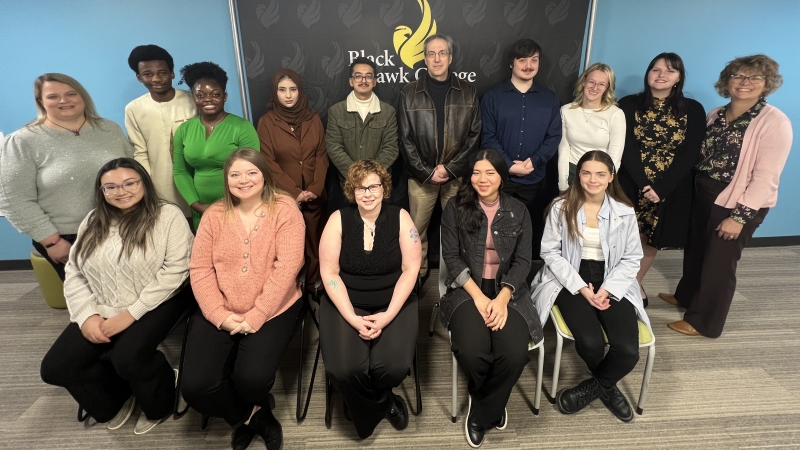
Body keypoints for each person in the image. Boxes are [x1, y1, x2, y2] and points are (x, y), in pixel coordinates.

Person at [40, 158, 194, 434]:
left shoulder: (167, 216)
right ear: (101, 191)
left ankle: (162, 395)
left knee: (128, 358)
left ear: (144, 183)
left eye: (129, 183)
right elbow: (75, 272)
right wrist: (87, 316)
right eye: (110, 187)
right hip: (103, 303)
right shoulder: (93, 219)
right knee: (57, 368)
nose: (121, 192)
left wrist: (130, 314)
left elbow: (176, 271)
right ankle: (118, 397)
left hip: (160, 300)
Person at [181, 149, 305, 450]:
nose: (243, 180)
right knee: (195, 388)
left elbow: (287, 267)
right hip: (220, 306)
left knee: (253, 379)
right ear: (226, 179)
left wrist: (256, 314)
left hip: (274, 307)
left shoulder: (285, 208)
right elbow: (199, 268)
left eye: (251, 172)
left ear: (264, 174)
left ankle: (254, 407)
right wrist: (218, 313)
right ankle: (251, 414)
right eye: (235, 174)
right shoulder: (213, 214)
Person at [661, 55, 792, 338]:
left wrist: (739, 217)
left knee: (719, 262)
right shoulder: (716, 114)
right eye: (738, 77)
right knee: (696, 250)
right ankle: (686, 296)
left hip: (738, 201)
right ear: (727, 81)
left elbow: (766, 177)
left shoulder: (774, 122)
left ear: (766, 83)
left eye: (754, 78)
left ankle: (704, 321)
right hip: (705, 191)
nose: (745, 83)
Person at [530, 150, 649, 423]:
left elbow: (632, 258)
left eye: (600, 174)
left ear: (611, 177)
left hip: (613, 277)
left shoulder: (625, 211)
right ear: (578, 175)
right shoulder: (561, 207)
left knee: (628, 351)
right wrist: (583, 289)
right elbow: (550, 253)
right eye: (586, 173)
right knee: (591, 343)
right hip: (570, 275)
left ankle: (594, 389)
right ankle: (608, 389)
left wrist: (607, 289)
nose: (592, 179)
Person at [440, 149, 542, 447]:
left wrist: (501, 298)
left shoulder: (518, 210)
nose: (482, 179)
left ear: (501, 176)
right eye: (476, 172)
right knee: (474, 352)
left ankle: (482, 409)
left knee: (513, 354)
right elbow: (451, 258)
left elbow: (524, 261)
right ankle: (493, 406)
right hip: (466, 289)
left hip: (508, 290)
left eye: (490, 173)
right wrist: (480, 298)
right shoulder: (454, 207)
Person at [318, 160, 421, 439]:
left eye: (373, 186)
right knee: (344, 370)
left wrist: (388, 316)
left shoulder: (401, 217)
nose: (367, 193)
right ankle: (384, 403)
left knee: (393, 368)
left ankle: (362, 402)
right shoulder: (337, 219)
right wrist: (352, 317)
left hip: (394, 300)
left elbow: (411, 269)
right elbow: (328, 272)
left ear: (384, 188)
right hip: (346, 301)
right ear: (351, 191)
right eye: (360, 187)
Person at [0, 73, 132, 280]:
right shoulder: (23, 141)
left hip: (122, 226)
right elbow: (13, 199)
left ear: (83, 97)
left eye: (71, 93)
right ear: (40, 102)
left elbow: (132, 174)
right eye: (53, 96)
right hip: (68, 237)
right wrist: (51, 241)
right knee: (94, 301)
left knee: (134, 294)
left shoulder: (109, 129)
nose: (64, 100)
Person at [617, 53, 706, 306]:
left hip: (669, 187)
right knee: (624, 237)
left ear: (679, 78)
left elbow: (690, 153)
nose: (661, 75)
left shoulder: (693, 109)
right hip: (631, 182)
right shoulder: (628, 104)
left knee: (650, 238)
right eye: (655, 69)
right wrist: (644, 183)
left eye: (669, 71)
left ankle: (635, 284)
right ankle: (615, 282)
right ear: (648, 74)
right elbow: (626, 146)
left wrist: (661, 188)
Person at [398, 34, 481, 283]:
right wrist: (427, 172)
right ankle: (417, 276)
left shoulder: (468, 92)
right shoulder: (408, 93)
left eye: (442, 53)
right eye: (431, 54)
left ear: (450, 57)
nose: (437, 58)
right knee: (416, 232)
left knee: (459, 229)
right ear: (424, 58)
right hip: (421, 178)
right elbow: (405, 139)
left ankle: (459, 278)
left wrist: (451, 169)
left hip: (455, 178)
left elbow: (474, 135)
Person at [481, 39, 561, 260]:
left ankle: (519, 281)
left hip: (534, 180)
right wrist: (508, 165)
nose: (528, 65)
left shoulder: (549, 99)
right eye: (522, 59)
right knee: (493, 230)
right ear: (511, 63)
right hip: (499, 178)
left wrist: (533, 162)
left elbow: (554, 136)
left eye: (534, 60)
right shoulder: (493, 97)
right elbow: (487, 136)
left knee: (527, 233)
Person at [257, 69, 328, 296]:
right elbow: (267, 161)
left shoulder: (313, 118)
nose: (288, 95)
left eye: (293, 89)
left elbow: (321, 155)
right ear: (275, 92)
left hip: (314, 195)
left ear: (300, 91)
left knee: (314, 244)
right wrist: (294, 192)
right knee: (288, 247)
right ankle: (290, 291)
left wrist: (315, 188)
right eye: (282, 90)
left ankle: (313, 286)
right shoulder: (267, 122)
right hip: (283, 197)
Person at [172, 61, 259, 229]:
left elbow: (253, 171)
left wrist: (234, 204)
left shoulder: (242, 127)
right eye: (200, 95)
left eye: (215, 94)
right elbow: (180, 172)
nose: (208, 100)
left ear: (224, 96)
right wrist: (196, 205)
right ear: (193, 97)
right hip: (200, 209)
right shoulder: (184, 130)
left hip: (238, 205)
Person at [125, 44, 197, 218]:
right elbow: (140, 152)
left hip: (196, 181)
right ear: (139, 77)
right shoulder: (134, 109)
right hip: (159, 188)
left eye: (162, 72)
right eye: (148, 74)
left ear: (172, 73)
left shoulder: (193, 100)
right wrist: (145, 189)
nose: (156, 78)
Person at [326, 57, 399, 208]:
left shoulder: (388, 112)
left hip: (379, 187)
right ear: (351, 81)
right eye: (358, 76)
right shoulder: (336, 111)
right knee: (349, 229)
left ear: (375, 81)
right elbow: (334, 147)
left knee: (381, 229)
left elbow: (391, 148)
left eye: (368, 76)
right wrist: (357, 176)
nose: (363, 80)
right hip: (347, 186)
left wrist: (371, 178)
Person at [557, 63, 625, 192]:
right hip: (573, 173)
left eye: (601, 84)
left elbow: (615, 157)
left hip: (599, 177)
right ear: (583, 82)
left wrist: (606, 183)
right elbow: (564, 150)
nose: (595, 87)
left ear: (607, 88)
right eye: (591, 82)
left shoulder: (615, 114)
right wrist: (563, 185)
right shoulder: (566, 110)